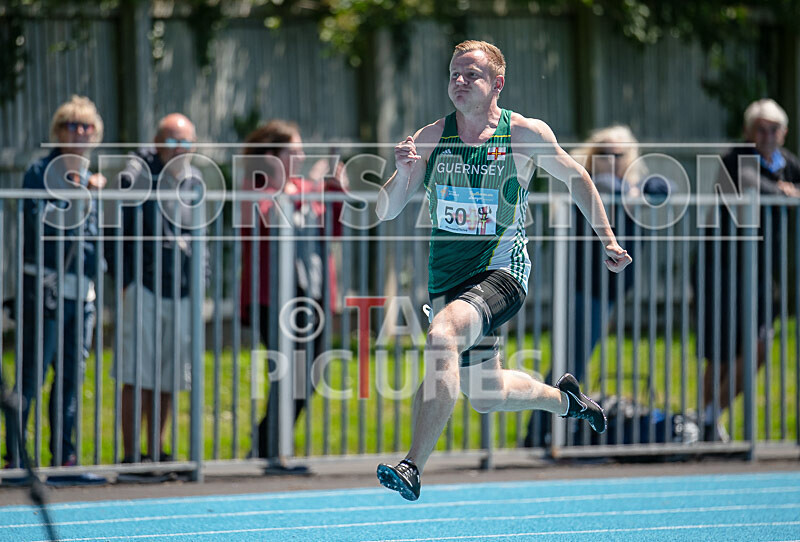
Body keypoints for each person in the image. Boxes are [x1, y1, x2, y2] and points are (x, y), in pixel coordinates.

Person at [374, 40, 632, 501]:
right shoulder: (433, 136)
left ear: (498, 83)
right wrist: (400, 173)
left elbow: (576, 176)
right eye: (454, 73)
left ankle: (412, 465)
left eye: (471, 74)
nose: (459, 81)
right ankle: (565, 401)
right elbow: (386, 210)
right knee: (486, 393)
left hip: (502, 273)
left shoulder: (523, 134)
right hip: (448, 280)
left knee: (442, 336)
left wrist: (607, 237)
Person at [4, 95, 105, 468]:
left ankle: (65, 454)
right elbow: (39, 223)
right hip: (43, 289)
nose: (79, 133)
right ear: (57, 131)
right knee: (32, 375)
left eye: (86, 127)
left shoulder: (96, 178)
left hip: (82, 293)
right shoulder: (39, 171)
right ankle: (16, 456)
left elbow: (98, 238)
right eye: (71, 126)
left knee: (71, 377)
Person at [239, 120, 344, 474]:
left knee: (310, 371)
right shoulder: (256, 186)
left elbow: (335, 229)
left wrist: (333, 188)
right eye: (292, 150)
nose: (299, 156)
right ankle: (272, 451)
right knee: (286, 372)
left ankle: (267, 444)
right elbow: (269, 219)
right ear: (272, 156)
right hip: (273, 297)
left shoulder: (304, 187)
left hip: (310, 295)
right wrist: (312, 189)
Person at [700, 98, 800, 441]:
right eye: (760, 128)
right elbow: (750, 183)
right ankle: (706, 424)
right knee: (722, 350)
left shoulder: (788, 162)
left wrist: (790, 191)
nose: (767, 135)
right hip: (723, 267)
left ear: (784, 133)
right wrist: (784, 193)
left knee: (758, 347)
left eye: (774, 129)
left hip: (762, 272)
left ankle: (710, 416)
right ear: (749, 131)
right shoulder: (736, 157)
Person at [110, 113, 204, 463]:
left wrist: (201, 280)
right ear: (158, 141)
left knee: (168, 377)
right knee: (138, 374)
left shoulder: (193, 179)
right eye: (174, 140)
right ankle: (132, 455)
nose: (181, 149)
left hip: (181, 291)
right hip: (144, 285)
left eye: (187, 141)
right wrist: (124, 278)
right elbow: (114, 229)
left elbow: (200, 237)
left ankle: (155, 451)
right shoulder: (139, 172)